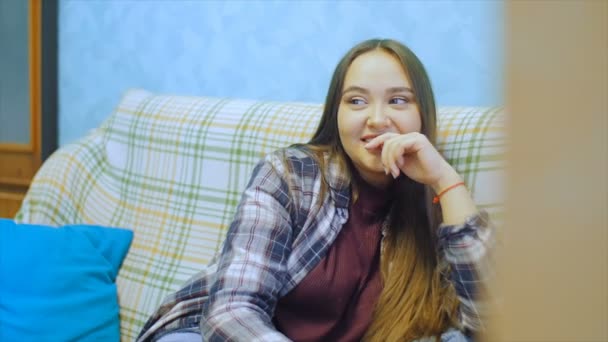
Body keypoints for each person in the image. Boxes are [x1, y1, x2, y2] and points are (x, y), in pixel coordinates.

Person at [136, 38, 494, 342]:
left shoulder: (434, 208)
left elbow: (492, 325)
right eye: (356, 101)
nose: (377, 118)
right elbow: (230, 311)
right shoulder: (291, 175)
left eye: (398, 100)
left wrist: (445, 181)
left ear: (422, 115)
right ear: (335, 115)